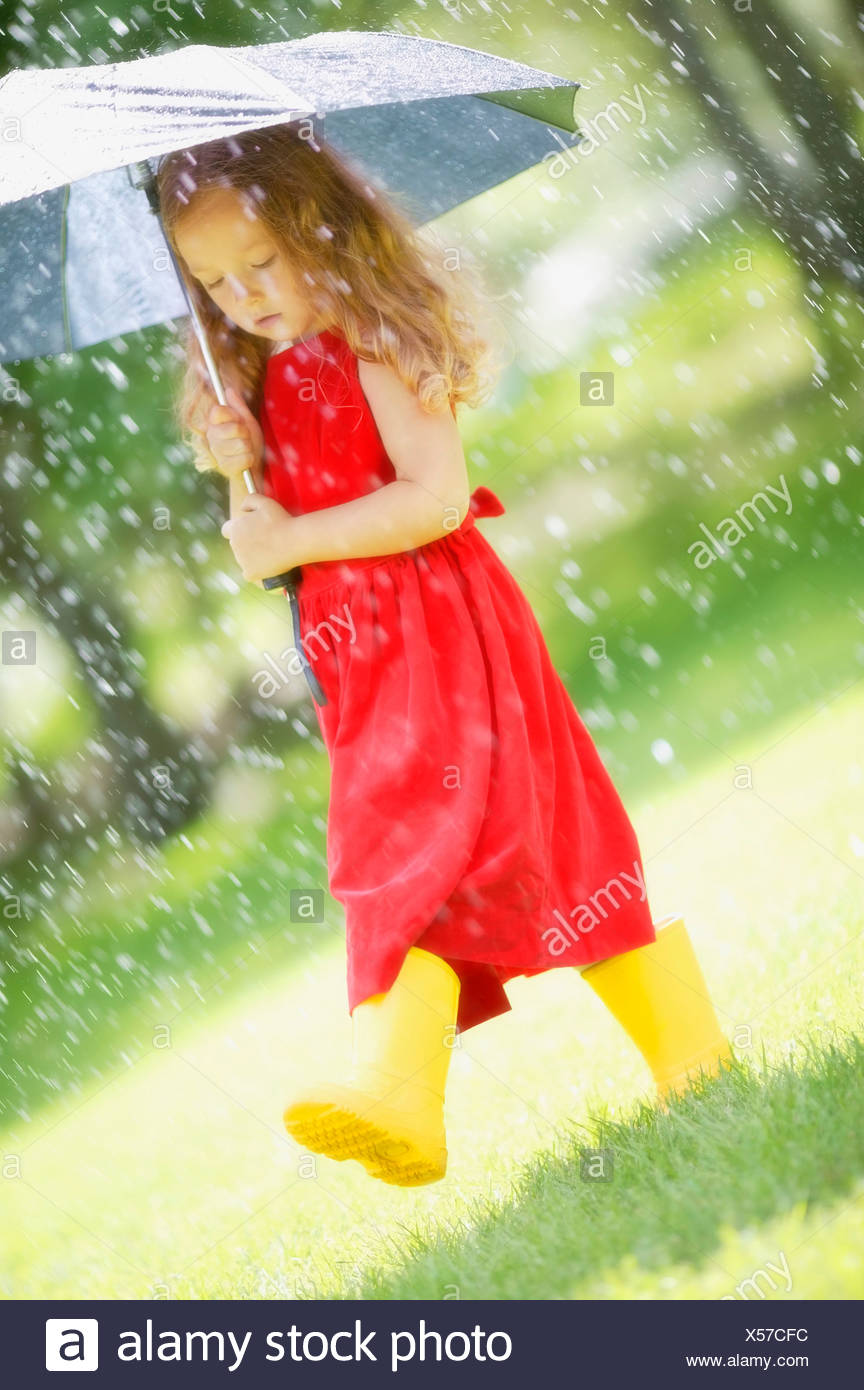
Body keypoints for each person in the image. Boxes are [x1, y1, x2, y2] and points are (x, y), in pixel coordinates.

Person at [157, 122, 732, 1189]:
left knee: (436, 839)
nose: (242, 297)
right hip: (357, 654)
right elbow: (280, 543)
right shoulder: (256, 378)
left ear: (319, 225)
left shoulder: (373, 340)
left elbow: (431, 497)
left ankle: (404, 1089)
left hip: (440, 630)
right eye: (212, 283)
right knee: (485, 841)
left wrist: (290, 538)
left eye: (263, 263)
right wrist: (245, 479)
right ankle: (656, 1058)